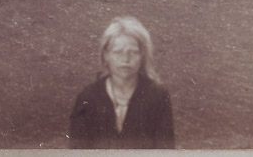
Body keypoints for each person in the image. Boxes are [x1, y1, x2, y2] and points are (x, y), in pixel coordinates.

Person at [69, 15, 174, 149]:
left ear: (142, 55)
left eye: (133, 52)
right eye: (118, 52)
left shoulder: (158, 97)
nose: (125, 59)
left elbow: (166, 151)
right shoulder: (87, 98)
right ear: (106, 55)